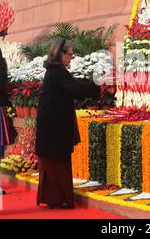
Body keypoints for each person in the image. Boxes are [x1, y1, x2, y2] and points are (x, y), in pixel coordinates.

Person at [36, 39, 101, 209]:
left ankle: (56, 198)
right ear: (60, 53)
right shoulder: (58, 72)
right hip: (54, 126)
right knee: (57, 161)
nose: (71, 58)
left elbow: (74, 89)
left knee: (54, 161)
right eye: (70, 54)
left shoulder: (56, 70)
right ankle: (59, 198)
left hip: (52, 124)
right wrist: (96, 84)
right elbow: (78, 90)